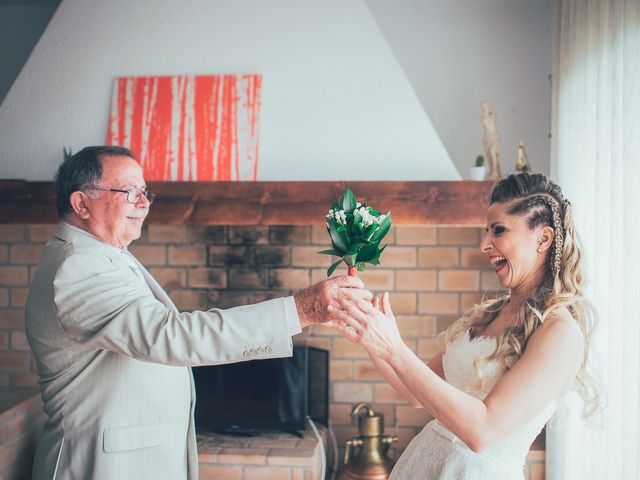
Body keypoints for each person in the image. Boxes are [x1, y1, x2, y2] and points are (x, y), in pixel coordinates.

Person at [25, 145, 371, 480]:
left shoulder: (104, 253)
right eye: (130, 191)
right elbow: (172, 336)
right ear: (81, 203)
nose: (144, 203)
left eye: (145, 192)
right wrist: (299, 311)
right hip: (103, 467)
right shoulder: (79, 265)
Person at [327, 173, 599, 479]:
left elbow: (482, 431)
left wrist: (393, 346)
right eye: (486, 231)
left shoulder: (560, 332)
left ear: (543, 238)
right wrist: (372, 339)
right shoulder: (491, 314)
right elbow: (416, 392)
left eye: (498, 230)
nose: (484, 244)